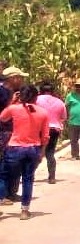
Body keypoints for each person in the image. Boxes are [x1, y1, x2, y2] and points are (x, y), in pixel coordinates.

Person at [0, 85, 49, 220]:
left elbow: (2, 118)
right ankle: (24, 211)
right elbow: (45, 136)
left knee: (3, 175)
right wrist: (42, 152)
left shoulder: (13, 109)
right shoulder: (43, 112)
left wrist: (11, 102)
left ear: (20, 95)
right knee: (28, 179)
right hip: (33, 149)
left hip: (14, 148)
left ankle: (1, 199)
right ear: (36, 97)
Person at [0, 66, 27, 205]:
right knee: (5, 164)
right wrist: (12, 103)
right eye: (20, 77)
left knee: (15, 164)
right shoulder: (2, 92)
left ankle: (11, 192)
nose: (22, 80)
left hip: (15, 131)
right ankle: (2, 195)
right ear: (12, 78)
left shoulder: (14, 91)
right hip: (4, 133)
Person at [36, 82, 67, 184]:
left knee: (37, 152)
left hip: (40, 129)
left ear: (41, 90)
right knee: (50, 153)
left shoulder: (37, 99)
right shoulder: (59, 102)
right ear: (52, 91)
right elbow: (64, 117)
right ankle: (52, 177)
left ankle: (29, 175)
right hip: (55, 129)